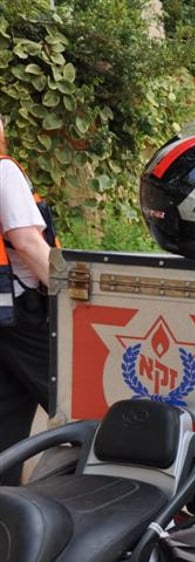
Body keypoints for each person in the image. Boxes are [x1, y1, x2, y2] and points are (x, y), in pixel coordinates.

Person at [0, 115, 53, 485]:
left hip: (5, 318)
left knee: (6, 414)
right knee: (77, 398)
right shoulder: (5, 173)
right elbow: (29, 243)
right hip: (22, 315)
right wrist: (71, 293)